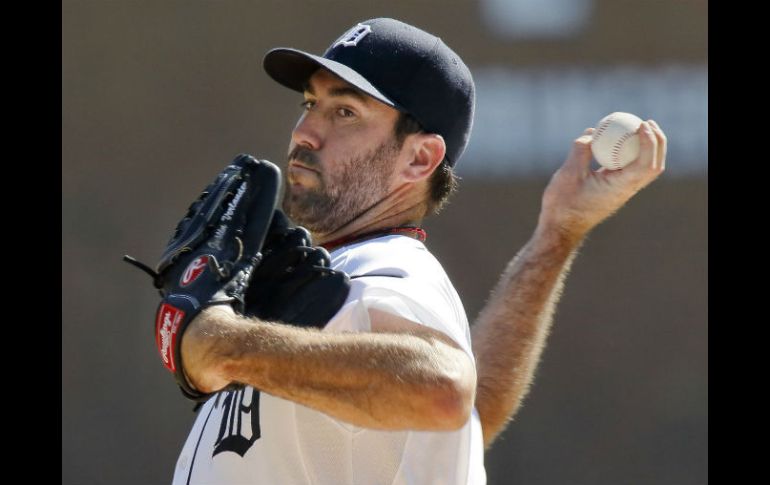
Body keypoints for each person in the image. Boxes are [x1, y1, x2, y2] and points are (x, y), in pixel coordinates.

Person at [171, 17, 666, 485]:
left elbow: (441, 393)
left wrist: (223, 344)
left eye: (345, 112)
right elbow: (461, 421)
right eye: (310, 103)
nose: (305, 132)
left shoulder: (383, 267)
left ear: (420, 157)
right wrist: (555, 235)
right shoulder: (339, 280)